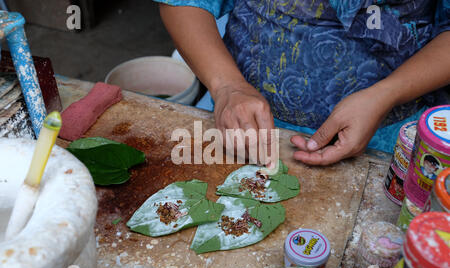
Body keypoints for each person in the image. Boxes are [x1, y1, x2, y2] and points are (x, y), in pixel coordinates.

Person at [155, 0, 450, 165]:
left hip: (397, 136)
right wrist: (227, 86)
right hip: (241, 120)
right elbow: (184, 2)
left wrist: (387, 94)